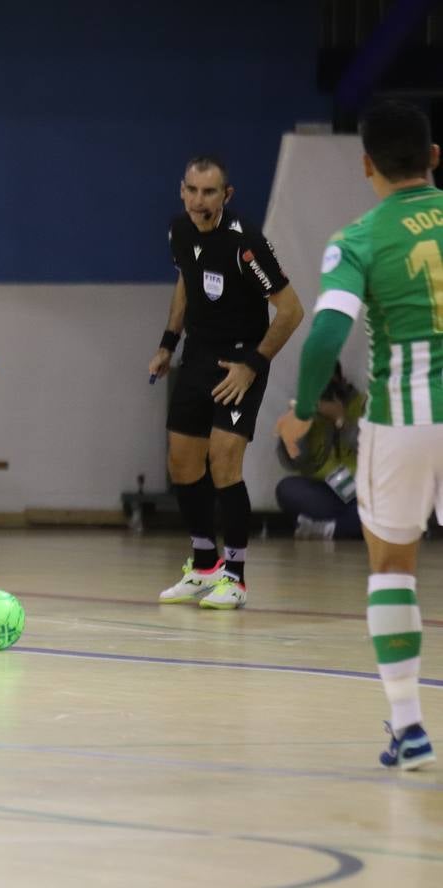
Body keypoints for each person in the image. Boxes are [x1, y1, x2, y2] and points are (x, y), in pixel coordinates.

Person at [276, 98, 442, 770]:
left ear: (366, 163)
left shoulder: (360, 238)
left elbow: (324, 335)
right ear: (434, 157)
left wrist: (303, 408)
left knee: (392, 567)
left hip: (402, 422)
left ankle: (409, 726)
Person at [148, 156, 304, 610]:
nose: (200, 200)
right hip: (197, 355)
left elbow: (291, 311)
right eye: (193, 191)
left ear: (227, 195)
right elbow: (185, 283)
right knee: (182, 463)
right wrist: (166, 344)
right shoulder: (179, 230)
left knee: (223, 462)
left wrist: (252, 365)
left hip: (240, 362)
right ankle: (203, 566)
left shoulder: (246, 244)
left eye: (210, 192)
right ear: (182, 191)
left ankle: (234, 576)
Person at [274, 362, 363, 540]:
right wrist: (298, 428)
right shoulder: (304, 407)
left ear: (341, 381)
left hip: (358, 488)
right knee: (286, 488)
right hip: (324, 488)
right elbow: (294, 462)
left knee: (380, 509)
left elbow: (372, 449)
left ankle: (326, 529)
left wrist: (340, 419)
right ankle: (347, 525)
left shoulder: (362, 404)